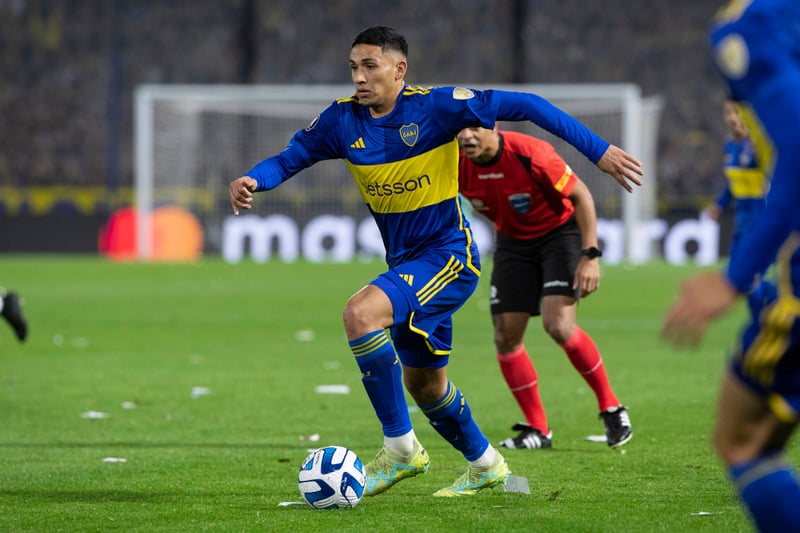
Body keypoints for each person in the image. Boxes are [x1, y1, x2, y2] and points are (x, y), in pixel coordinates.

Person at [230, 26, 642, 498]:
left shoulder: (437, 107)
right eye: (353, 67)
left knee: (360, 313)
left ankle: (401, 451)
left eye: (370, 66)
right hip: (406, 262)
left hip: (449, 257)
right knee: (425, 385)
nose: (359, 77)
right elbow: (291, 157)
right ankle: (487, 465)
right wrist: (254, 179)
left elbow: (528, 104)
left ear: (399, 69)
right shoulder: (341, 120)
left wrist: (598, 150)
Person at [662, 1, 800, 530]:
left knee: (742, 439)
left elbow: (797, 157)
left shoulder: (749, 25)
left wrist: (732, 279)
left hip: (782, 265)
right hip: (758, 236)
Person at [457, 126, 632, 450]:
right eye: (460, 129)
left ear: (493, 127)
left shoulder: (531, 154)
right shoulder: (454, 163)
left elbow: (581, 195)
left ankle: (612, 407)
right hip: (512, 243)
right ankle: (538, 429)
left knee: (559, 325)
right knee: (505, 336)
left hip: (559, 235)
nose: (467, 136)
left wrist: (590, 256)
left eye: (475, 128)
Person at [704, 98, 775, 316]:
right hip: (741, 218)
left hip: (760, 217)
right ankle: (772, 306)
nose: (732, 118)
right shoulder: (730, 144)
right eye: (728, 113)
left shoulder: (760, 145)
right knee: (739, 280)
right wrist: (720, 204)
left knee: (749, 278)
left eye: (736, 112)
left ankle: (764, 320)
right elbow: (732, 183)